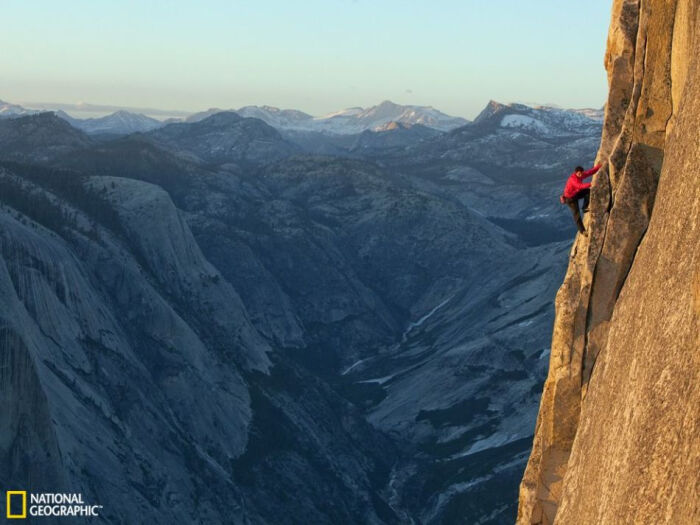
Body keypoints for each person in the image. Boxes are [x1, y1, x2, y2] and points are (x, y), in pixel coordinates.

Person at [560, 164, 601, 235]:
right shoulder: (573, 179)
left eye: (581, 173)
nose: (580, 175)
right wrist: (591, 183)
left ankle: (584, 207)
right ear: (575, 173)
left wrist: (599, 167)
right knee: (577, 214)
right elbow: (579, 186)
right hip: (570, 199)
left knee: (588, 191)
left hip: (575, 194)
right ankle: (582, 231)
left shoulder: (581, 175)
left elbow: (589, 172)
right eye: (579, 174)